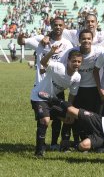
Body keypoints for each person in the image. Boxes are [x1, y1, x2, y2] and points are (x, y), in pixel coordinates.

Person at [18, 17, 74, 151]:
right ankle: (40, 147)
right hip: (40, 86)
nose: (58, 27)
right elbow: (21, 42)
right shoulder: (40, 39)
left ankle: (54, 143)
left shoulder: (68, 45)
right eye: (55, 25)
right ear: (51, 25)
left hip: (57, 87)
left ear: (64, 26)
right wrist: (21, 36)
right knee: (43, 119)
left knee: (59, 118)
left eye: (61, 25)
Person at [31, 48, 82, 157]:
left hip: (52, 100)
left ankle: (64, 146)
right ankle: (39, 151)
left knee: (69, 119)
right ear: (68, 60)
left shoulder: (77, 77)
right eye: (74, 61)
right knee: (45, 120)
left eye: (79, 61)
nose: (76, 63)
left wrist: (69, 110)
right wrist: (51, 52)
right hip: (39, 96)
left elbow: (72, 94)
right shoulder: (58, 67)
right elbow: (43, 62)